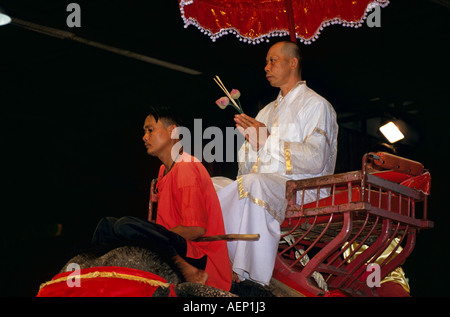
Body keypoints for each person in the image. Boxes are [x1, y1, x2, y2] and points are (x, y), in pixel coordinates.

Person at [215, 41, 339, 286]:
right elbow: (246, 169)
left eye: (273, 60)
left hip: (303, 188)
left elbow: (316, 159)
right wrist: (250, 144)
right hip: (266, 183)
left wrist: (268, 140)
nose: (266, 67)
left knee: (253, 183)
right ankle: (220, 259)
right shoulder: (266, 112)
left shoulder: (317, 105)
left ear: (293, 62)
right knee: (213, 184)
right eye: (266, 61)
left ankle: (250, 274)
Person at [92, 107, 232, 292]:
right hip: (172, 242)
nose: (144, 137)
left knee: (127, 224)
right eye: (144, 131)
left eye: (150, 130)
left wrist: (153, 236)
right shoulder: (163, 171)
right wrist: (153, 234)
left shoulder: (186, 166)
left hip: (198, 255)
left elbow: (195, 228)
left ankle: (190, 271)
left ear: (173, 132)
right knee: (107, 225)